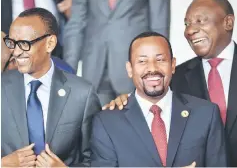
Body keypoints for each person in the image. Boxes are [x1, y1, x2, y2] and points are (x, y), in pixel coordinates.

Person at [104, 0, 237, 167]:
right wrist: (126, 101)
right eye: (187, 24)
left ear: (228, 22)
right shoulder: (174, 77)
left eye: (200, 21)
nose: (190, 31)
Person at [90, 32, 227, 167]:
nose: (152, 68)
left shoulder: (206, 114)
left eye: (160, 59)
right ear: (130, 69)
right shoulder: (107, 123)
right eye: (142, 61)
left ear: (173, 65)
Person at [1, 8, 101, 167]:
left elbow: (97, 160)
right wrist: (3, 163)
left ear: (50, 43)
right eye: (12, 43)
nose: (16, 52)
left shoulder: (82, 94)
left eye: (24, 44)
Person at [63, 0, 170, 105]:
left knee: (133, 120)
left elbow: (159, 26)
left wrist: (157, 69)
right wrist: (67, 74)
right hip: (95, 67)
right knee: (94, 119)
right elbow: (76, 24)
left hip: (134, 67)